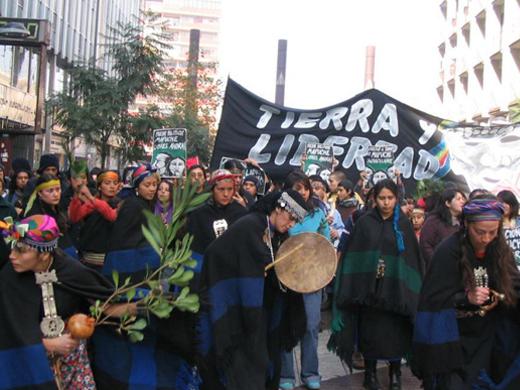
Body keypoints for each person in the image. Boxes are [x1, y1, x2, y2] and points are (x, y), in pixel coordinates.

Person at [91, 163, 200, 389]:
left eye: (155, 185)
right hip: (132, 275)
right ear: (137, 186)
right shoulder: (132, 207)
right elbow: (125, 244)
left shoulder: (151, 208)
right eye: (147, 185)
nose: (152, 189)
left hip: (150, 274)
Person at [198, 190, 309, 390]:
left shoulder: (278, 234)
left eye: (295, 221)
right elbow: (215, 255)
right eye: (291, 218)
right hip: (238, 310)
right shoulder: (250, 225)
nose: (291, 224)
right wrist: (255, 274)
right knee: (246, 368)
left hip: (261, 310)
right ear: (279, 208)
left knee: (264, 363)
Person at [413, 196, 520, 389]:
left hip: (488, 338)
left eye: (492, 232)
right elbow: (432, 299)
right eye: (480, 232)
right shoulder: (447, 251)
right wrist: (466, 298)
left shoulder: (500, 250)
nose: (486, 239)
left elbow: (514, 286)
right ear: (466, 225)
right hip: (454, 339)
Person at [0, 215, 114, 389]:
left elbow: (109, 302)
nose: (12, 256)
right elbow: (7, 330)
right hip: (31, 362)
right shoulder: (9, 278)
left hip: (73, 361)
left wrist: (142, 305)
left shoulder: (71, 271)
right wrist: (47, 344)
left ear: (44, 254)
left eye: (21, 251)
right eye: (13, 248)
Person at [329, 179, 423, 390]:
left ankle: (395, 373)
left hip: (396, 293)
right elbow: (354, 255)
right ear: (374, 198)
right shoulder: (364, 222)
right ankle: (369, 373)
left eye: (390, 198)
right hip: (368, 291)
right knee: (370, 334)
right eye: (382, 198)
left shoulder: (404, 224)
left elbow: (412, 259)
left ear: (396, 198)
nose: (386, 203)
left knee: (396, 334)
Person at [279, 171, 331, 390]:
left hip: (312, 277)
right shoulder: (279, 213)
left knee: (310, 325)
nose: (301, 192)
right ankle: (285, 376)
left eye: (304, 188)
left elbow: (325, 243)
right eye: (296, 188)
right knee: (285, 326)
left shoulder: (318, 213)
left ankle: (310, 372)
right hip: (284, 277)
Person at [186, 169, 247, 290]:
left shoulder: (241, 213)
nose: (226, 194)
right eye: (221, 189)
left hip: (231, 275)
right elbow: (194, 249)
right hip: (205, 275)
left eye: (230, 189)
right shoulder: (198, 214)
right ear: (212, 189)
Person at [69, 169, 120, 270]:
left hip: (109, 261)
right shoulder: (91, 205)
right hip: (88, 261)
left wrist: (90, 198)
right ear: (99, 186)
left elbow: (111, 215)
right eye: (107, 183)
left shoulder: (120, 204)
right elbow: (74, 217)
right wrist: (76, 196)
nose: (112, 186)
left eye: (115, 183)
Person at [23, 174, 78, 259]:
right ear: (40, 193)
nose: (55, 194)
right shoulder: (35, 216)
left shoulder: (59, 210)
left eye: (58, 189)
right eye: (50, 191)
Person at [419, 188, 466, 269]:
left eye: (463, 199)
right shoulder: (434, 221)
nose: (462, 201)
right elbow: (425, 245)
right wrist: (438, 263)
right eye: (458, 199)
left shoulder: (463, 222)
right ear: (448, 203)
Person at [497, 190, 520, 266]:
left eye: (506, 202)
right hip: (506, 266)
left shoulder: (518, 220)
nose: (503, 205)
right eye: (500, 203)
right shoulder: (496, 224)